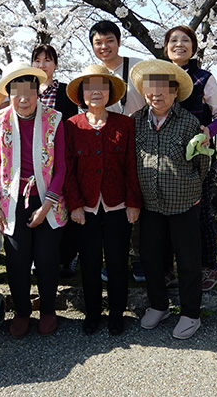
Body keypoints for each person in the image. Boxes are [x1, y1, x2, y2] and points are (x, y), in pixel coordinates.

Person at [0, 61, 68, 339]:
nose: (23, 99)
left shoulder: (54, 119)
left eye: (30, 92)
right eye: (17, 93)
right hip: (12, 203)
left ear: (38, 92)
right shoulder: (1, 120)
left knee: (47, 258)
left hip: (46, 200)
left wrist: (46, 206)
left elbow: (61, 167)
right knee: (17, 260)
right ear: (9, 94)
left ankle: (48, 309)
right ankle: (22, 311)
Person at [130, 59, 210, 340]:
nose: (157, 94)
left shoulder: (190, 123)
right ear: (144, 91)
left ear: (175, 92)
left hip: (183, 202)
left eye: (164, 88)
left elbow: (202, 164)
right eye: (151, 88)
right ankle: (159, 304)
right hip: (149, 203)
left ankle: (190, 313)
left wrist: (191, 190)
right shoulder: (136, 122)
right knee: (150, 256)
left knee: (188, 259)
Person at [64, 64, 142, 335]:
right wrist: (74, 204)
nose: (96, 92)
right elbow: (67, 169)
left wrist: (133, 201)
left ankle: (117, 313)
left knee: (118, 261)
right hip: (85, 207)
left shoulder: (125, 124)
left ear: (111, 92)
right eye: (90, 87)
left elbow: (132, 165)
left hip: (118, 205)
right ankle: (93, 312)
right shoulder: (72, 126)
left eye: (102, 86)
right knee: (89, 262)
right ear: (82, 93)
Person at [161, 25, 217, 291]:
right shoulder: (158, 75)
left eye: (185, 40)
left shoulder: (204, 78)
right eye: (173, 40)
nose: (179, 44)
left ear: (193, 47)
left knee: (200, 213)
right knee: (163, 212)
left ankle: (209, 268)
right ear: (165, 47)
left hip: (198, 158)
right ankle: (166, 269)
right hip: (164, 158)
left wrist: (207, 131)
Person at [89, 20, 146, 282]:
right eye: (98, 42)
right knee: (108, 201)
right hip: (106, 145)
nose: (104, 46)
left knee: (137, 198)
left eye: (109, 40)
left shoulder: (137, 67)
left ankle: (138, 259)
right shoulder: (91, 72)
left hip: (140, 139)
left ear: (119, 41)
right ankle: (106, 259)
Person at [30, 44, 79, 278]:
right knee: (35, 203)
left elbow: (71, 124)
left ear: (55, 64)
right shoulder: (26, 89)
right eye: (37, 60)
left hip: (59, 155)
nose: (42, 65)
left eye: (47, 60)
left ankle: (68, 257)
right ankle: (36, 256)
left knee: (62, 203)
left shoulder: (66, 91)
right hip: (31, 159)